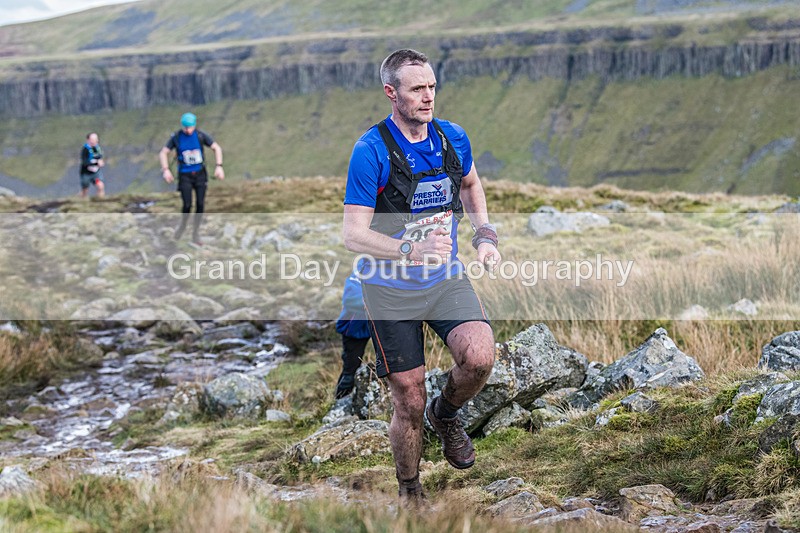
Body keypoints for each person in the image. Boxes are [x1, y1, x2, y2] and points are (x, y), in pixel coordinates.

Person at [342, 49, 501, 501]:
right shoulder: (371, 150)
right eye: (417, 89)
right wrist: (409, 248)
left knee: (480, 358)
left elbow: (469, 184)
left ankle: (446, 413)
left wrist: (484, 234)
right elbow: (353, 235)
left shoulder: (452, 138)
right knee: (407, 401)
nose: (429, 97)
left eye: (432, 86)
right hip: (387, 289)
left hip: (445, 279)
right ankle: (411, 493)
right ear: (392, 93)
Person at [158, 112, 225, 244]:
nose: (188, 130)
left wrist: (219, 166)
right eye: (185, 127)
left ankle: (196, 233)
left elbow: (216, 148)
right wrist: (166, 170)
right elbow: (163, 152)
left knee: (200, 205)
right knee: (187, 205)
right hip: (185, 176)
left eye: (190, 127)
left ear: (194, 126)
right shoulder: (176, 137)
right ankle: (181, 228)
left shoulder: (200, 135)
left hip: (200, 175)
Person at [334, 270, 371, 399]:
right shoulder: (360, 271)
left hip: (372, 326)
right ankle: (339, 403)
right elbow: (350, 300)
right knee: (351, 369)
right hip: (353, 329)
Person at [79, 133, 105, 198]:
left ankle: (100, 201)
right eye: (92, 139)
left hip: (95, 173)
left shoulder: (97, 148)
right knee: (85, 190)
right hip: (86, 174)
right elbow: (85, 162)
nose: (95, 141)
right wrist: (96, 163)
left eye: (96, 139)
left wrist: (101, 162)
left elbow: (100, 157)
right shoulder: (85, 149)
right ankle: (82, 200)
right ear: (88, 140)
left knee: (100, 186)